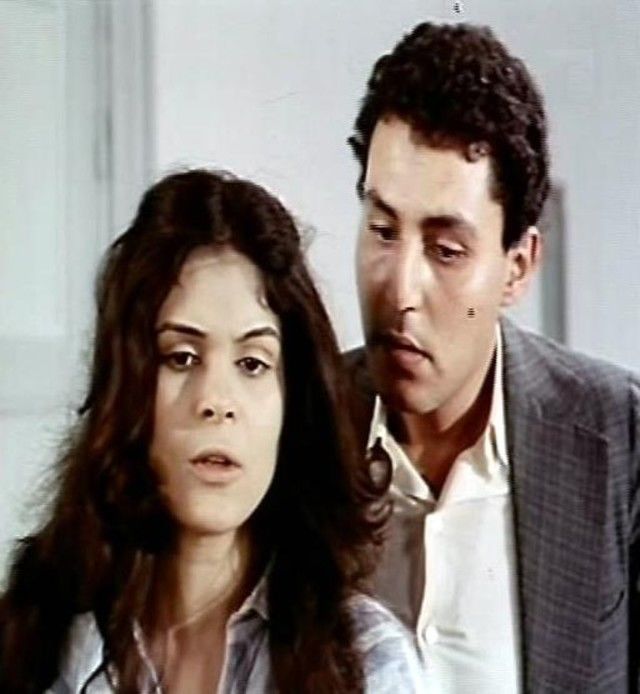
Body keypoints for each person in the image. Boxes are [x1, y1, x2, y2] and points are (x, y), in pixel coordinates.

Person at [0, 169, 426, 693]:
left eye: (252, 364)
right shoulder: (41, 641)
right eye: (181, 357)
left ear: (292, 403)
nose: (216, 402)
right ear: (128, 386)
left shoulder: (368, 664)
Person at [344, 21, 640, 693]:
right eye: (382, 230)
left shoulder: (619, 440)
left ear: (518, 266)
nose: (401, 291)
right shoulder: (292, 426)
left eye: (446, 251)